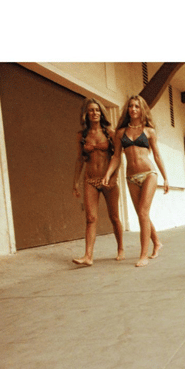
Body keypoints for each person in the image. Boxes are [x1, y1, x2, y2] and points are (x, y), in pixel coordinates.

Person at [103, 95, 169, 267]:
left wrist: (166, 177)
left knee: (142, 213)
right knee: (143, 213)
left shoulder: (149, 131)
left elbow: (156, 155)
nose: (133, 109)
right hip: (131, 177)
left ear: (142, 110)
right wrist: (107, 174)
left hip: (149, 173)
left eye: (137, 106)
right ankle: (157, 243)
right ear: (128, 109)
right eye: (131, 106)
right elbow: (116, 157)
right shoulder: (120, 133)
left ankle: (143, 255)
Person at [72, 98, 124, 266]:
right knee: (91, 218)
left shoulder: (110, 132)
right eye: (91, 110)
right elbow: (80, 159)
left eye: (97, 110)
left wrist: (114, 177)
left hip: (108, 179)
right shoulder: (82, 135)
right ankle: (88, 256)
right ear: (85, 114)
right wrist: (75, 182)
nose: (94, 113)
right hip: (90, 180)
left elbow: (117, 156)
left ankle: (121, 249)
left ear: (101, 113)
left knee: (114, 217)